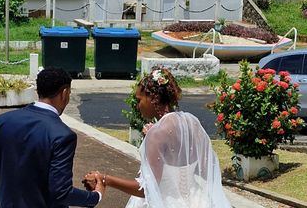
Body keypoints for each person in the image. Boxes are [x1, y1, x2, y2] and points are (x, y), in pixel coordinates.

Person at [83, 68, 231, 208]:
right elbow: (202, 169)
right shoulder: (191, 123)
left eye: (139, 100)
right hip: (196, 199)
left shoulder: (157, 134)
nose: (138, 106)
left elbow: (146, 189)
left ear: (153, 98)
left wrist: (105, 179)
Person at [0, 67, 105, 208]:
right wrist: (95, 196)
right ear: (64, 93)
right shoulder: (63, 135)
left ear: (38, 90)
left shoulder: (3, 121)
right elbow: (61, 192)